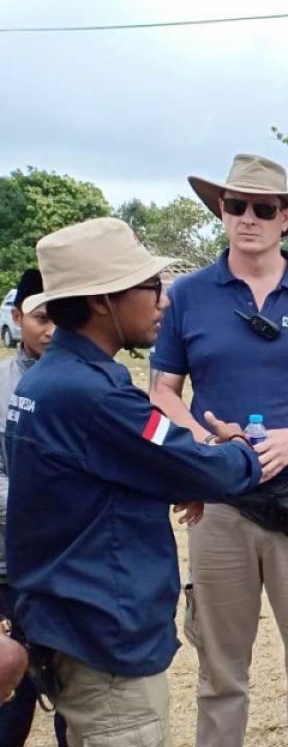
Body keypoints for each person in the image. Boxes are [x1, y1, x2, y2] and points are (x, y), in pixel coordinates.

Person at [5, 218, 263, 747]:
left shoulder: (42, 383)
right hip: (108, 647)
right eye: (150, 287)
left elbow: (97, 479)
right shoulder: (95, 394)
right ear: (102, 301)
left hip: (69, 627)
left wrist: (166, 474)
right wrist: (240, 448)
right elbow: (207, 468)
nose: (163, 300)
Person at [150, 154, 288, 747]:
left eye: (262, 208)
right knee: (220, 672)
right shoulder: (189, 296)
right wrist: (200, 440)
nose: (247, 217)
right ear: (221, 211)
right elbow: (162, 390)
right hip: (219, 506)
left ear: (285, 217)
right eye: (235, 205)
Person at [0, 269, 65, 747]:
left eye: (61, 317)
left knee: (76, 704)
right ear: (18, 316)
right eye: (42, 317)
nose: (52, 329)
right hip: (9, 571)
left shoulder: (93, 381)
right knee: (12, 701)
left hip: (68, 573)